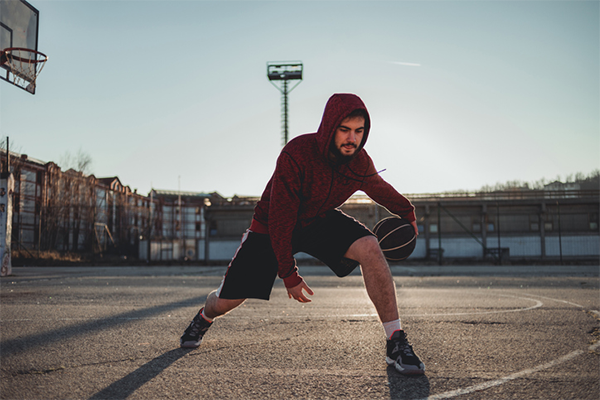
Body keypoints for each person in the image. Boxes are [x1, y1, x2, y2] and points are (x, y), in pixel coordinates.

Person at [180, 93, 425, 375]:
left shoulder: (359, 162)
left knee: (370, 246)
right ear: (329, 127)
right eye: (344, 130)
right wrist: (289, 273)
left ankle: (396, 341)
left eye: (359, 131)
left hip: (317, 220)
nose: (352, 139)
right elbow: (282, 219)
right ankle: (204, 316)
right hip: (272, 225)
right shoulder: (297, 154)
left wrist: (407, 213)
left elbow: (379, 188)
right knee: (226, 301)